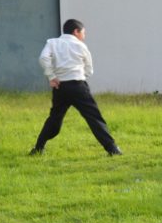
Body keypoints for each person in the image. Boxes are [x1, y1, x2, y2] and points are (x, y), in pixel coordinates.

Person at [29, 19, 122, 156]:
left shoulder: (52, 43)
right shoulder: (80, 45)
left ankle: (38, 148)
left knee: (54, 119)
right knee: (94, 118)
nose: (84, 36)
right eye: (83, 33)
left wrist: (51, 76)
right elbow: (89, 69)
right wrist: (80, 75)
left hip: (60, 87)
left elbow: (43, 58)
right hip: (79, 87)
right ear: (76, 31)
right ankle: (112, 149)